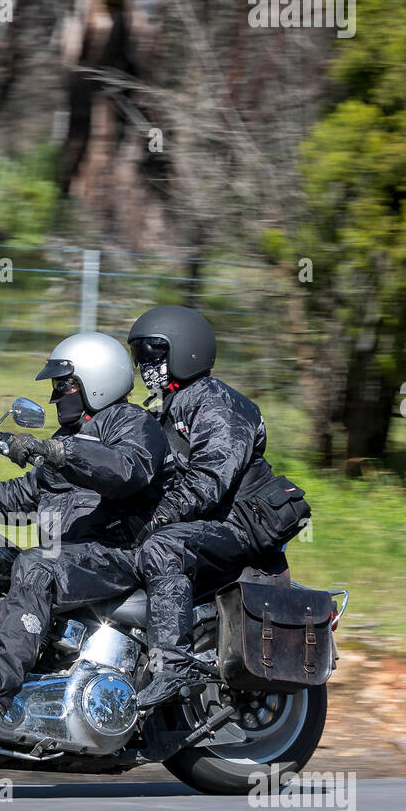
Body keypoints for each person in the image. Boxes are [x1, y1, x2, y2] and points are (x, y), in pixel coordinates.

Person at [0, 331, 166, 705]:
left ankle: (0, 679)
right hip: (72, 553)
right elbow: (20, 496)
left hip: (116, 552)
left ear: (98, 380)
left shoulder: (133, 422)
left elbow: (126, 470)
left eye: (65, 385)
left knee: (36, 564)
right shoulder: (70, 435)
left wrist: (57, 451)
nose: (56, 397)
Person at [126, 304, 306, 709]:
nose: (146, 364)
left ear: (186, 350)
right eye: (141, 355)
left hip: (237, 525)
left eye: (155, 353)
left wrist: (158, 518)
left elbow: (210, 478)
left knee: (162, 547)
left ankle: (172, 668)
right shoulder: (164, 407)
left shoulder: (218, 403)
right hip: (203, 521)